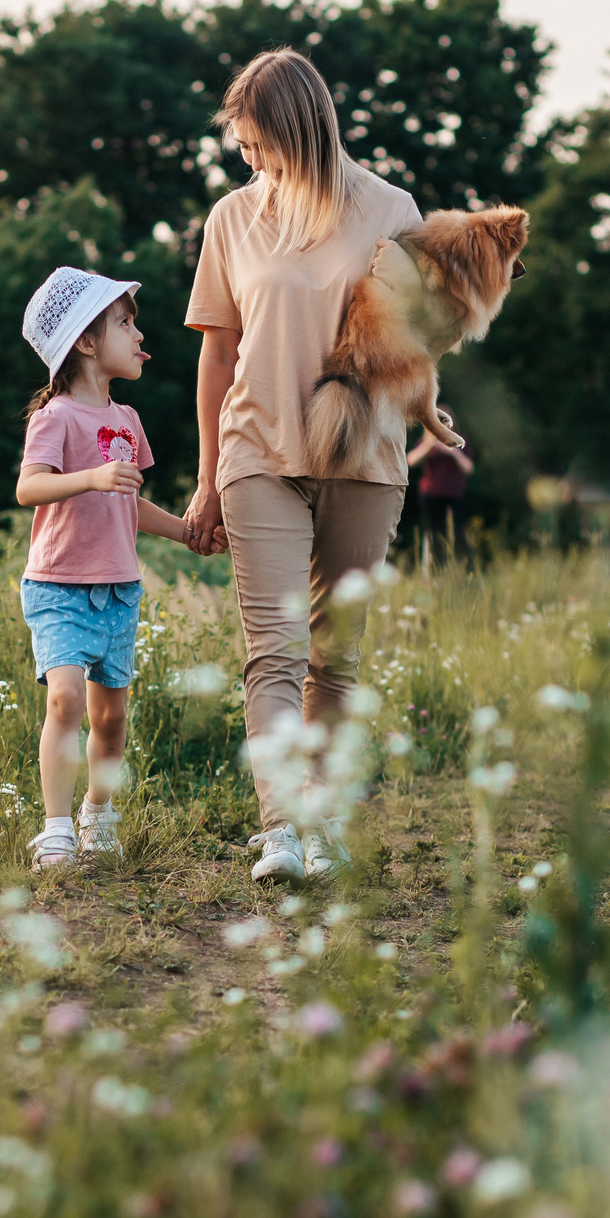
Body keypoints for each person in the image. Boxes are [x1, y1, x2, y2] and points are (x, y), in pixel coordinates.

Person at [179, 49, 426, 881]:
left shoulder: (393, 210)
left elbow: (421, 336)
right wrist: (210, 474)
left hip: (364, 456)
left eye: (258, 144)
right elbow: (218, 355)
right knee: (274, 651)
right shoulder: (231, 220)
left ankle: (323, 824)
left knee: (336, 658)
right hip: (259, 454)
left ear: (298, 129)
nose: (247, 161)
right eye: (241, 147)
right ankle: (282, 828)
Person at [15, 266, 195, 868]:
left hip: (119, 589)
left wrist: (187, 533)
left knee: (111, 715)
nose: (138, 336)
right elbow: (29, 488)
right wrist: (90, 476)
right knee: (65, 700)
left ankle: (98, 813)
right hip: (60, 586)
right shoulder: (57, 417)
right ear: (86, 343)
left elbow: (130, 503)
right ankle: (58, 827)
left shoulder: (129, 421)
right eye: (125, 323)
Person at [407, 427, 473, 560]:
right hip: (431, 496)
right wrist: (428, 446)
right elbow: (410, 461)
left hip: (454, 495)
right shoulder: (426, 441)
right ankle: (433, 572)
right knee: (432, 534)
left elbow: (469, 468)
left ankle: (460, 568)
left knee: (457, 533)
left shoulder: (459, 442)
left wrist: (453, 452)